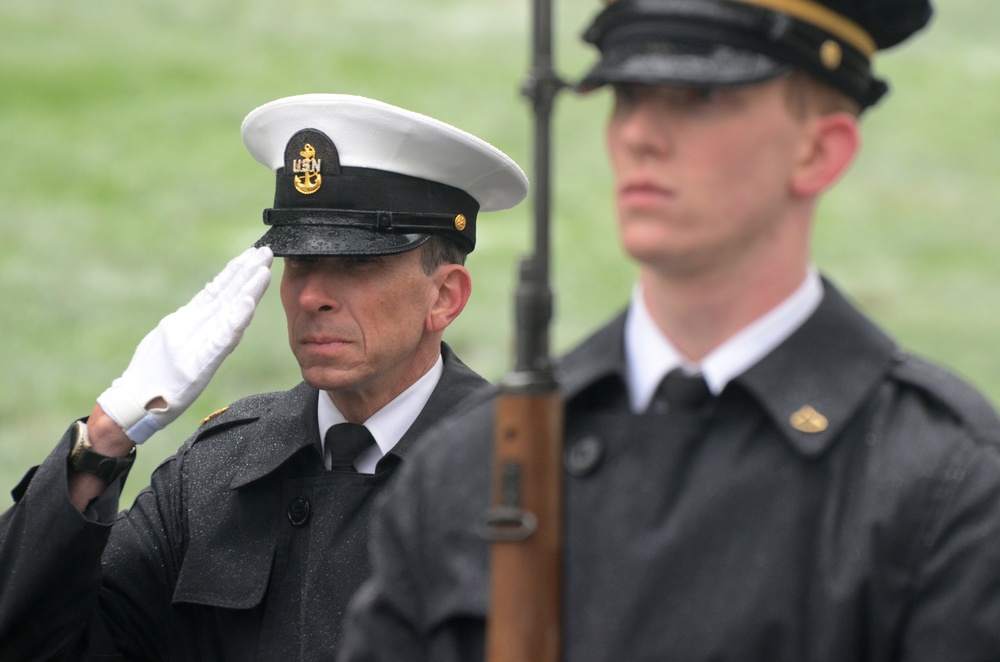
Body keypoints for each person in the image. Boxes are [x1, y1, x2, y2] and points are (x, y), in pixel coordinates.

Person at [338, 1, 1000, 660]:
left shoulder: (939, 483)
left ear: (819, 152)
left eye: (698, 96)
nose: (638, 135)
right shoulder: (469, 463)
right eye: (627, 95)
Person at [0, 93, 528, 660]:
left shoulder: (515, 473)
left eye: (357, 265)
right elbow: (37, 644)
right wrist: (108, 432)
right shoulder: (216, 473)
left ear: (445, 297)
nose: (313, 296)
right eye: (298, 262)